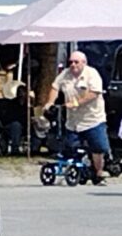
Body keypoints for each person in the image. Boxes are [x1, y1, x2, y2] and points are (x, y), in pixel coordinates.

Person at [42, 51, 110, 184]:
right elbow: (55, 87)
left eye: (76, 62)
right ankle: (75, 171)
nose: (73, 65)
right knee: (70, 147)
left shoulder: (92, 74)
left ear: (84, 63)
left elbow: (94, 93)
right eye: (71, 62)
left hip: (93, 119)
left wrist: (77, 102)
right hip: (73, 121)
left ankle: (99, 172)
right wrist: (50, 103)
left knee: (99, 147)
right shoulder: (65, 74)